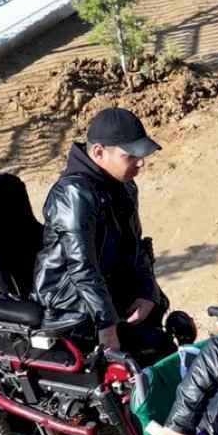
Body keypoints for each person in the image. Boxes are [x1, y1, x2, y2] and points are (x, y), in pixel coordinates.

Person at [31, 107, 175, 364]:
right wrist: (106, 324)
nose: (140, 162)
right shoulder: (73, 194)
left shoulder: (124, 185)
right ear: (99, 152)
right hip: (70, 300)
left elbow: (136, 246)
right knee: (133, 358)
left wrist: (147, 291)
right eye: (130, 156)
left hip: (106, 286)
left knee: (159, 330)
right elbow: (81, 266)